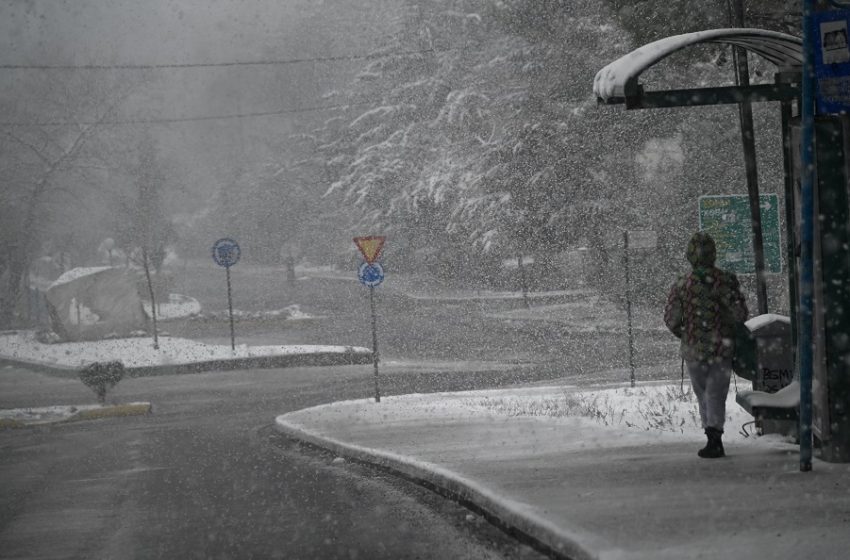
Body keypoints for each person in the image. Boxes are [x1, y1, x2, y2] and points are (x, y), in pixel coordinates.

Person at [663, 232, 748, 458]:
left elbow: (671, 318)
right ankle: (715, 435)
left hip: (694, 349)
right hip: (722, 347)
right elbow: (740, 314)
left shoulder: (682, 284)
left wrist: (684, 333)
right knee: (716, 393)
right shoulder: (727, 280)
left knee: (703, 394)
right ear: (714, 253)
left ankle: (711, 436)